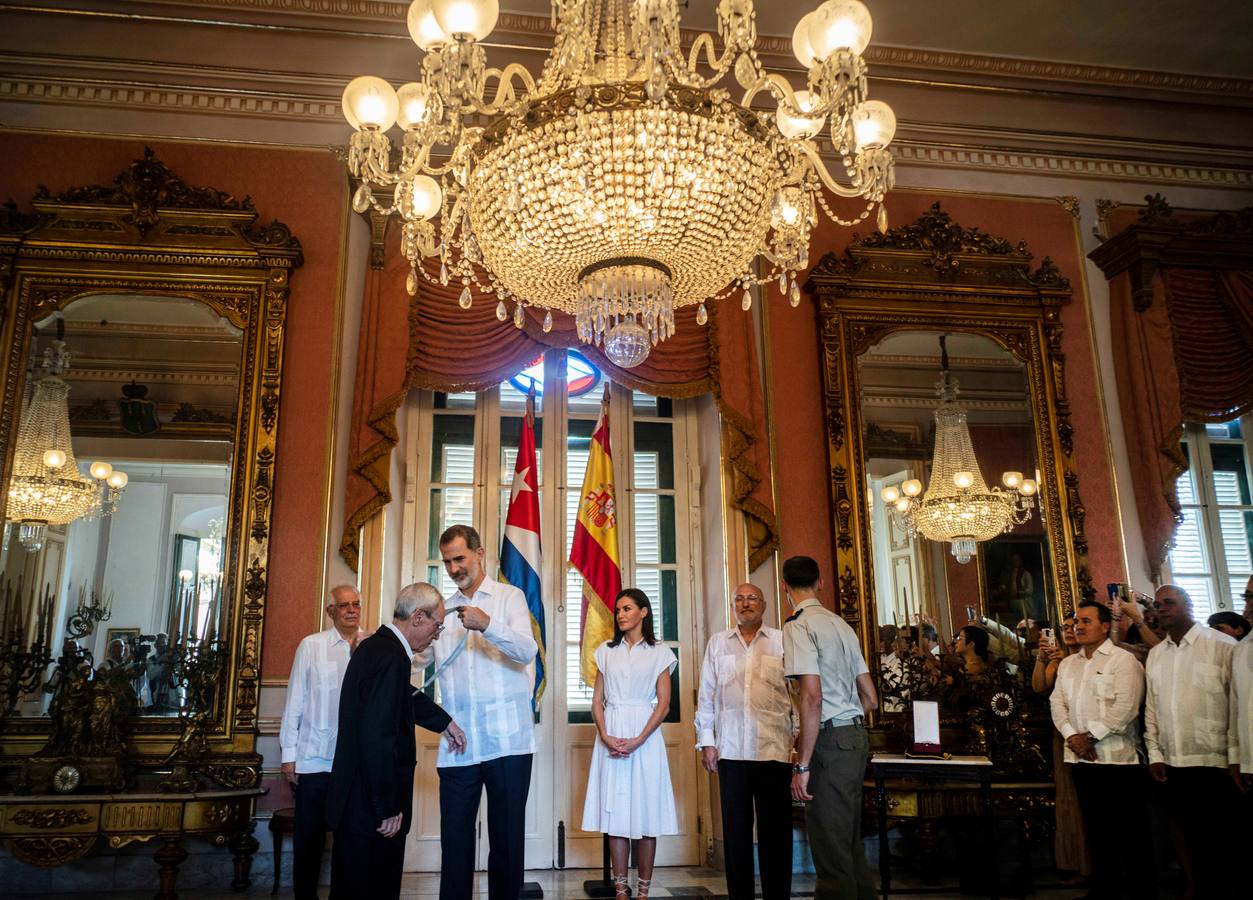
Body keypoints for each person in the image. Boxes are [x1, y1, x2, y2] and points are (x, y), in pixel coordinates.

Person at [326, 583, 465, 899]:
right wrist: (387, 808)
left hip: (356, 804)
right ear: (418, 617)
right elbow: (379, 735)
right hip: (371, 812)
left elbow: (400, 698)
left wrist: (445, 722)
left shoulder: (377, 648)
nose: (438, 634)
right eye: (437, 625)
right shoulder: (391, 658)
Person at [435, 524, 539, 900]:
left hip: (509, 741)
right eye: (447, 562)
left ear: (479, 554)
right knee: (456, 842)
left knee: (507, 840)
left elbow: (527, 651)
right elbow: (421, 663)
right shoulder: (440, 610)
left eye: (459, 558)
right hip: (458, 743)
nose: (454, 568)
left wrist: (488, 625)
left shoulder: (510, 597)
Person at [781, 555, 877, 900]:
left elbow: (812, 698)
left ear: (784, 586)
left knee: (830, 848)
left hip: (829, 740)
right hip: (854, 735)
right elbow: (870, 697)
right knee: (848, 842)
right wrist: (846, 718)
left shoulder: (798, 626)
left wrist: (803, 764)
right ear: (820, 582)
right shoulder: (841, 624)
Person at [695, 583, 792, 900]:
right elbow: (706, 697)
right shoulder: (718, 643)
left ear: (764, 605)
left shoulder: (781, 641)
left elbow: (798, 694)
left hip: (774, 749)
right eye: (739, 599)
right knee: (736, 834)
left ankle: (777, 895)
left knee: (775, 832)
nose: (745, 604)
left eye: (752, 599)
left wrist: (799, 743)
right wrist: (707, 741)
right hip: (731, 750)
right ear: (733, 605)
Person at [1144, 584, 1241, 899]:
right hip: (1173, 759)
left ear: (1189, 605)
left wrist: (1238, 756)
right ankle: (1193, 885)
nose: (1161, 609)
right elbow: (1153, 708)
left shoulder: (1223, 645)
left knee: (1218, 834)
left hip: (1216, 760)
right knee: (1181, 830)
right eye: (1157, 604)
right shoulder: (1156, 655)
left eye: (1169, 602)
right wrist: (1155, 753)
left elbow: (1239, 704)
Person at [1049, 601, 1151, 899]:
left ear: (1105, 626)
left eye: (1086, 621)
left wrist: (1090, 737)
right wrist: (1072, 736)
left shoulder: (1122, 660)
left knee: (1129, 834)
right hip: (1082, 761)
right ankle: (1104, 890)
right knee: (1097, 832)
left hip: (1117, 760)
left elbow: (1126, 707)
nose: (1078, 626)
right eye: (1076, 621)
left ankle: (1139, 892)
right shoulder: (1069, 664)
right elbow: (1057, 704)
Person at [583, 588, 678, 900]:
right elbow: (597, 702)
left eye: (626, 609)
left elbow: (663, 704)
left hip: (645, 736)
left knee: (646, 812)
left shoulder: (660, 652)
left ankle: (644, 891)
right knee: (616, 815)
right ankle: (621, 889)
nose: (620, 614)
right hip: (611, 732)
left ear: (643, 612)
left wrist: (638, 739)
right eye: (618, 610)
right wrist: (606, 735)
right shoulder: (606, 651)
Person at [279, 585, 363, 900]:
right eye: (345, 606)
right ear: (331, 612)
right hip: (313, 760)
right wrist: (289, 757)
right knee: (309, 841)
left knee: (349, 840)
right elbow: (295, 702)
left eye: (356, 604)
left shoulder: (370, 645)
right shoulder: (311, 646)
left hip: (352, 765)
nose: (352, 610)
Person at [1031, 612, 1090, 887]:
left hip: (1089, 732)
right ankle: (1073, 861)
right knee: (1068, 799)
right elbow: (1039, 686)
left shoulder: (1087, 660)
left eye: (1074, 626)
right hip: (1062, 732)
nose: (1070, 630)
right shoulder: (1060, 659)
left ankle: (1091, 864)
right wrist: (1044, 658)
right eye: (1065, 627)